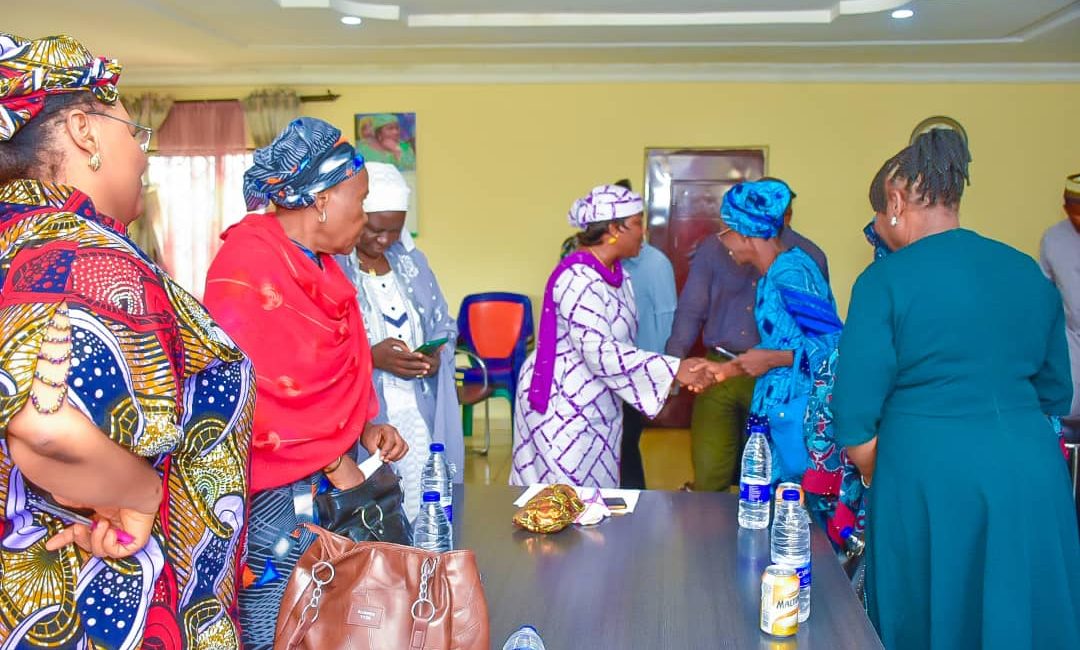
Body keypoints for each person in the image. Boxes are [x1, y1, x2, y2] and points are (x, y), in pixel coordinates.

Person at [0, 33, 254, 649]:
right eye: (135, 132)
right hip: (92, 599)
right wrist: (142, 493)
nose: (143, 156)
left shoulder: (16, 239)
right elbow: (44, 424)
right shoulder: (76, 251)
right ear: (84, 132)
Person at [833, 129, 1080, 649]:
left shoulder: (883, 282)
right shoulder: (1025, 271)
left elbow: (855, 420)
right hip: (1032, 474)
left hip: (929, 478)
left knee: (933, 617)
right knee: (1021, 616)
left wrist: (885, 466)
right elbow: (1056, 391)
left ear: (895, 202)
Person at [202, 118, 408, 650]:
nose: (364, 217)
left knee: (336, 618)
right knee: (280, 620)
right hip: (274, 489)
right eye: (360, 202)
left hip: (330, 478)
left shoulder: (322, 266)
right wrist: (334, 461)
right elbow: (249, 393)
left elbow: (334, 370)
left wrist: (364, 426)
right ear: (321, 200)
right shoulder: (248, 264)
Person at [511, 184, 711, 488]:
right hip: (563, 404)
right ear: (614, 229)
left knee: (598, 493)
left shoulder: (618, 276)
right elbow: (599, 351)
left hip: (599, 399)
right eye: (637, 223)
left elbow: (620, 344)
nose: (644, 232)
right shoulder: (577, 279)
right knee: (564, 496)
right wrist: (673, 370)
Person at [670, 180, 831, 491]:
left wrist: (771, 360)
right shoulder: (773, 275)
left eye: (727, 231)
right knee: (754, 491)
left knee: (787, 496)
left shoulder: (792, 273)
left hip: (793, 404)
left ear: (746, 233)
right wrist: (725, 370)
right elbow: (774, 347)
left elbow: (831, 347)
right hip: (769, 397)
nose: (722, 240)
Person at [336, 162, 463, 520]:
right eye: (376, 230)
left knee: (426, 501)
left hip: (420, 408)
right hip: (370, 416)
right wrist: (370, 357)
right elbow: (321, 345)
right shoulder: (335, 267)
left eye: (395, 231)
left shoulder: (412, 263)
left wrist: (435, 356)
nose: (385, 241)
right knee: (381, 509)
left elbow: (444, 324)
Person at [612, 178, 677, 489]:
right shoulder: (599, 263)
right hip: (602, 371)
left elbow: (666, 321)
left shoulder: (655, 264)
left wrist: (663, 377)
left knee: (626, 446)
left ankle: (634, 508)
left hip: (636, 371)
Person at [1039, 172, 1080, 419]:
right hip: (1071, 338)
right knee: (1067, 408)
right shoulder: (1054, 239)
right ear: (1066, 208)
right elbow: (1045, 296)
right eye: (1075, 211)